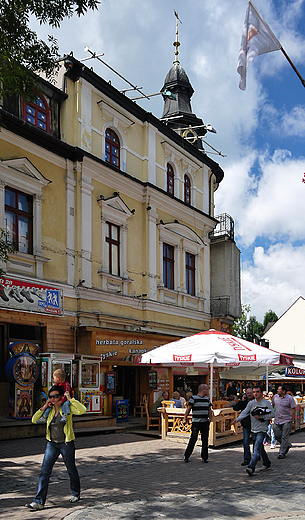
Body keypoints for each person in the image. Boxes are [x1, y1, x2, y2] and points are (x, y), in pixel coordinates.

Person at [25, 385, 86, 510]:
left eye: (55, 396)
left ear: (61, 396)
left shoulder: (67, 408)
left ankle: (75, 493)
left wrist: (70, 399)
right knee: (44, 472)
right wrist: (44, 406)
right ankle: (38, 501)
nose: (52, 399)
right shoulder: (50, 410)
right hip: (52, 444)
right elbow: (34, 420)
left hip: (66, 443)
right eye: (50, 396)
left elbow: (82, 410)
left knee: (71, 469)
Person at [233, 385, 275, 476]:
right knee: (260, 448)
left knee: (256, 449)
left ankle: (251, 467)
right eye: (254, 392)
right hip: (253, 429)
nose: (255, 394)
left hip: (262, 429)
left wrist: (261, 417)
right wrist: (238, 419)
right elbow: (245, 412)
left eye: (257, 392)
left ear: (261, 393)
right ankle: (267, 462)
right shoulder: (251, 403)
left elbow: (272, 414)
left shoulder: (266, 403)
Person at [182, 384, 212, 463]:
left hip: (205, 422)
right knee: (193, 439)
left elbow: (209, 409)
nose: (207, 391)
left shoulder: (207, 399)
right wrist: (185, 418)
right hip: (196, 422)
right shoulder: (193, 398)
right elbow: (188, 409)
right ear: (203, 390)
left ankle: (205, 457)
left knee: (205, 440)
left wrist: (210, 418)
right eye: (206, 389)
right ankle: (187, 455)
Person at [272, 384, 296, 459]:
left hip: (286, 420)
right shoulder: (275, 397)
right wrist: (271, 415)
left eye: (279, 389)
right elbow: (272, 405)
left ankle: (281, 452)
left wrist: (292, 421)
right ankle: (287, 444)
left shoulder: (289, 398)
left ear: (283, 391)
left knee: (284, 436)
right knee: (277, 435)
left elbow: (293, 409)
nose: (277, 390)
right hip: (277, 419)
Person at [233, 388, 253, 466]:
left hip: (255, 424)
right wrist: (242, 400)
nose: (249, 394)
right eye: (247, 393)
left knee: (256, 442)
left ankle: (256, 455)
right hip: (246, 424)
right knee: (245, 442)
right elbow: (235, 408)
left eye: (250, 393)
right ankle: (247, 459)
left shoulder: (256, 401)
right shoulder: (244, 403)